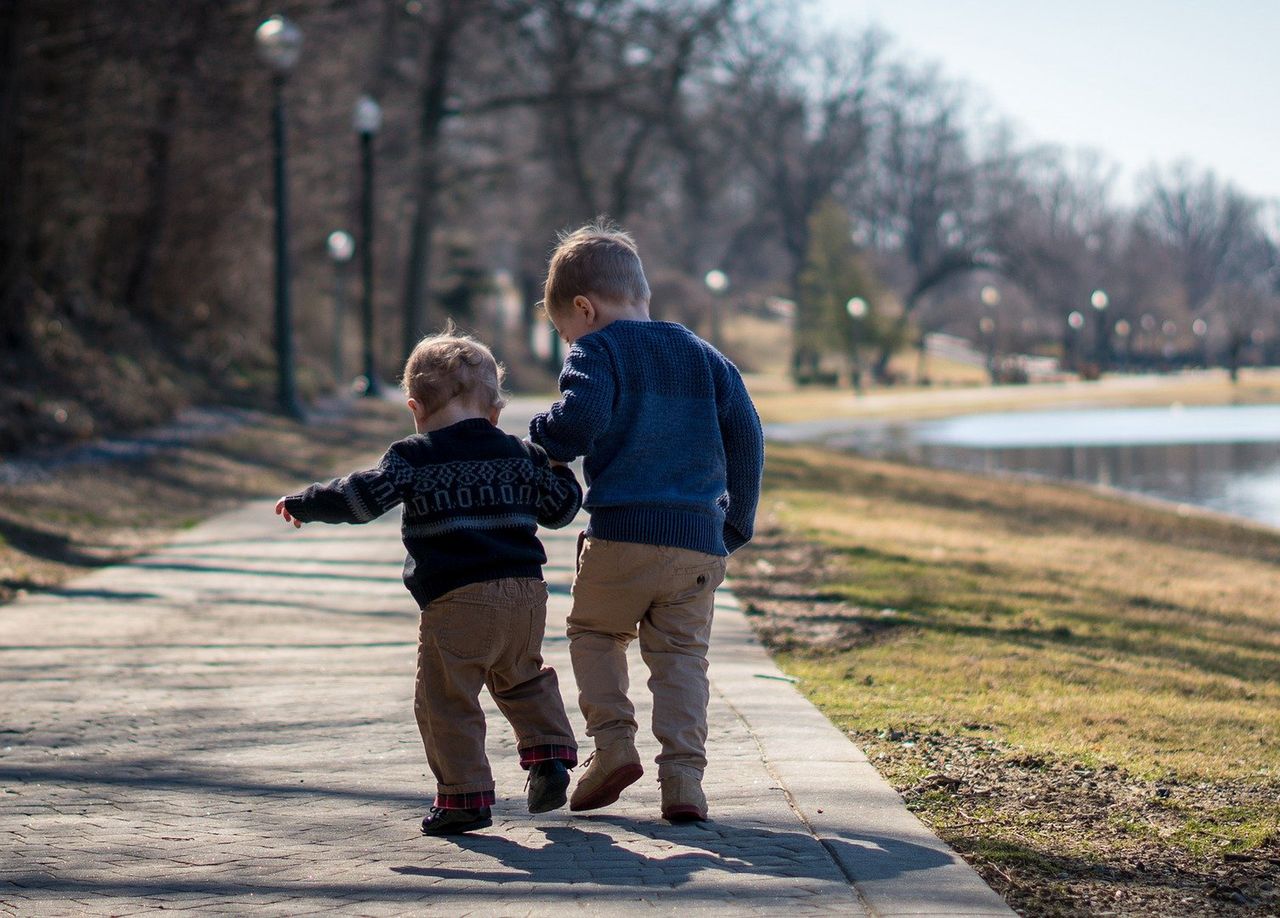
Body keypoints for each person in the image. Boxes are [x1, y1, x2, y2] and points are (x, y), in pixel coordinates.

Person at [275, 330, 582, 836]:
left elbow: (360, 499)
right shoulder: (518, 453)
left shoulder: (413, 457)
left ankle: (464, 797)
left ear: (415, 407)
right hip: (526, 595)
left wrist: (308, 503)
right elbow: (560, 509)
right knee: (523, 676)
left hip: (457, 599)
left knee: (446, 698)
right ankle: (549, 756)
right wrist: (559, 465)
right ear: (495, 409)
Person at [529, 220, 765, 823]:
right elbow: (747, 435)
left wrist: (541, 435)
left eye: (564, 331)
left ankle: (612, 747)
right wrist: (736, 522)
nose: (568, 340)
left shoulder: (598, 349)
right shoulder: (705, 355)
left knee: (595, 634)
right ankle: (684, 780)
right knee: (682, 657)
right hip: (697, 543)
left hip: (622, 535)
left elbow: (577, 424)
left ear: (585, 308)